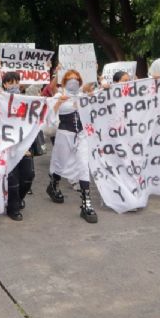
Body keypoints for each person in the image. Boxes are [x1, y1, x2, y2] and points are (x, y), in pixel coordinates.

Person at [48, 69, 98, 223]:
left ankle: (86, 203)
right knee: (60, 164)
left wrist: (96, 75)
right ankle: (53, 184)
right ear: (64, 81)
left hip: (81, 135)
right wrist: (59, 102)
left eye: (76, 78)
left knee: (83, 165)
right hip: (64, 134)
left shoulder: (84, 96)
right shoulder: (59, 95)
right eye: (70, 78)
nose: (73, 81)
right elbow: (50, 116)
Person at [2, 72, 35, 221]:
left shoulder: (27, 101)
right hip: (6, 147)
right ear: (4, 85)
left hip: (24, 146)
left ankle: (18, 199)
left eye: (16, 82)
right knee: (12, 179)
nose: (14, 85)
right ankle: (13, 208)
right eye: (10, 83)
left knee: (28, 176)